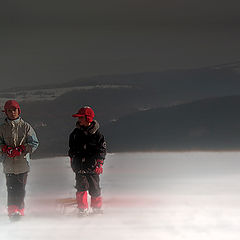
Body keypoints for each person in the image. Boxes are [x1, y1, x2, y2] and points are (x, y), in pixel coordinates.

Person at [0, 100, 39, 218]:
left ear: (19, 111)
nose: (12, 113)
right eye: (9, 111)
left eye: (14, 110)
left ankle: (20, 210)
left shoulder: (26, 127)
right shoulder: (2, 128)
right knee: (11, 188)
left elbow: (34, 143)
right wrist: (5, 149)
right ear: (5, 112)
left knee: (20, 188)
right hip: (8, 164)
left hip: (23, 164)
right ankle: (12, 211)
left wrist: (22, 149)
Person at [68, 106, 106, 215]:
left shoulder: (98, 135)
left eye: (81, 118)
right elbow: (72, 149)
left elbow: (102, 150)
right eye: (78, 118)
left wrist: (99, 163)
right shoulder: (75, 134)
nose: (79, 120)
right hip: (79, 166)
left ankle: (97, 208)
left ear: (88, 118)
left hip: (93, 166)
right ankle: (82, 209)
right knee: (81, 187)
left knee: (95, 189)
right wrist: (72, 160)